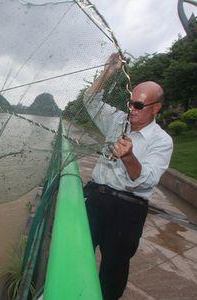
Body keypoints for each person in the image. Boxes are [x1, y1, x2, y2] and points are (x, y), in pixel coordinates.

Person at [83, 53, 173, 300]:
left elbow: (147, 179)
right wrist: (108, 72)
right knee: (78, 253)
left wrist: (129, 156)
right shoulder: (116, 119)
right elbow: (90, 100)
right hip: (95, 198)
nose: (131, 109)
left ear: (156, 108)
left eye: (139, 106)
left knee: (114, 269)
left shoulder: (162, 141)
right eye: (130, 102)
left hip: (127, 210)